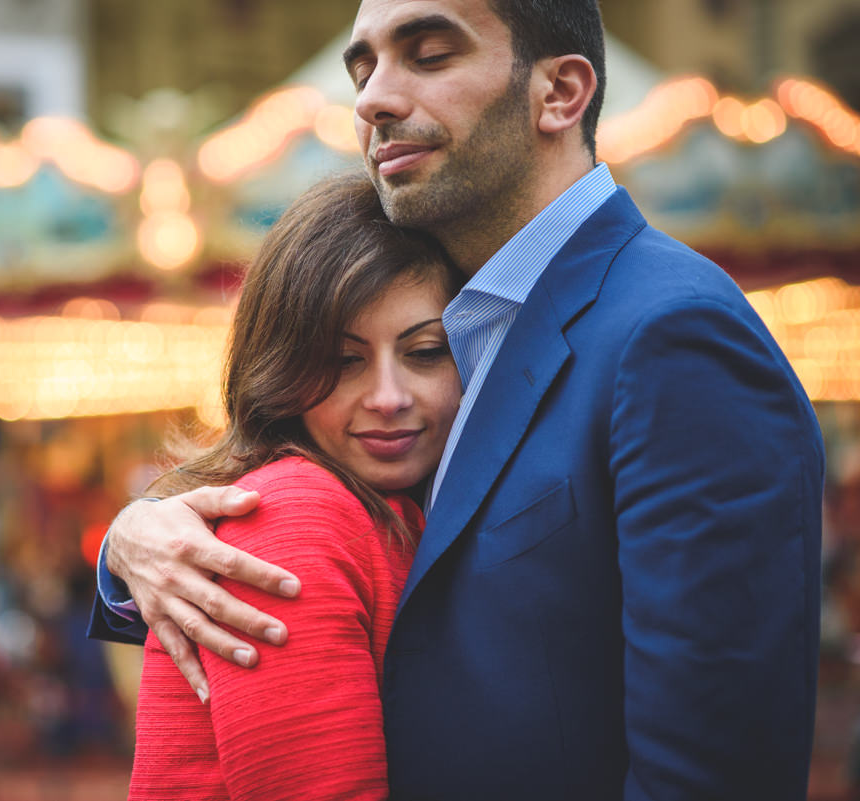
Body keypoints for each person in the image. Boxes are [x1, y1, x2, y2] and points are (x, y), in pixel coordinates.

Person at [92, 0, 826, 798]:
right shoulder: (482, 319)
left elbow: (712, 769)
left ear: (560, 93)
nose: (372, 97)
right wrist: (131, 540)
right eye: (363, 66)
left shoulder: (668, 334)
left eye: (430, 54)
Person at [129, 172, 462, 800]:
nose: (389, 399)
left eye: (424, 352)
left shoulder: (391, 500)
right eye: (344, 361)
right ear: (283, 368)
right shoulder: (292, 517)